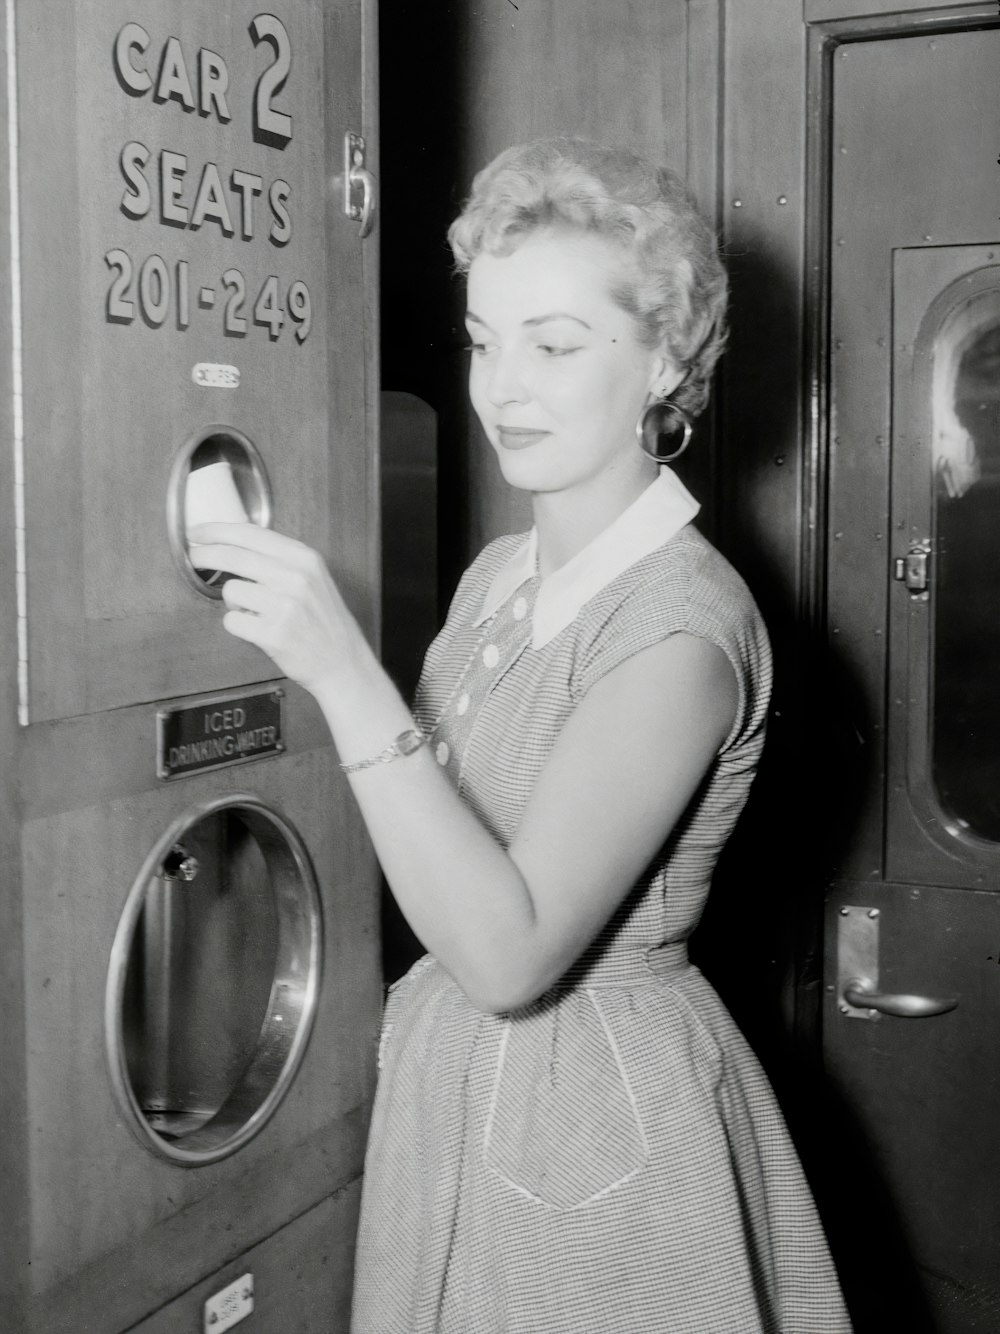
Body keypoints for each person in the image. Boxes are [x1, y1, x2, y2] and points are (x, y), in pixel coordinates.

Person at [189, 138, 850, 1333]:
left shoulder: (683, 626)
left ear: (661, 359)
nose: (503, 387)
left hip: (596, 1126)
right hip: (446, 1092)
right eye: (486, 341)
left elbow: (511, 953)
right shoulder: (497, 578)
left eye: (552, 345)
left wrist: (344, 670)